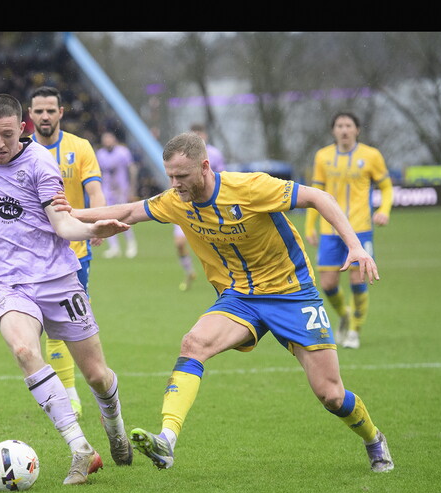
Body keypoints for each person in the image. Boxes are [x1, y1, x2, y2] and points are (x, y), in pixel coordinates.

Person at [53, 131, 394, 474]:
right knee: (193, 343)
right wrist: (72, 214)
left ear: (204, 167)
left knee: (331, 395)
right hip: (239, 298)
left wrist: (355, 246)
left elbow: (319, 197)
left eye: (182, 176)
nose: (175, 184)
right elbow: (129, 210)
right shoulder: (175, 200)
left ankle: (373, 438)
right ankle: (167, 440)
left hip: (291, 293)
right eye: (170, 176)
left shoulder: (250, 187)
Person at [0, 93, 133, 485]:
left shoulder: (41, 162)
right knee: (24, 350)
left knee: (96, 375)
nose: (0, 144)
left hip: (57, 279)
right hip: (7, 281)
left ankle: (115, 427)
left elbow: (62, 223)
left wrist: (92, 229)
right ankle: (80, 449)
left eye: (7, 135)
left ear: (21, 128)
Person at [28, 86, 107, 421]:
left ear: (61, 112)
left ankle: (88, 387)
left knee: (75, 323)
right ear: (30, 115)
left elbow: (95, 191)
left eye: (50, 110)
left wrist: (97, 222)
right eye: (39, 111)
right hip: (35, 253)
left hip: (75, 252)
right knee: (50, 326)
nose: (45, 116)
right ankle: (70, 395)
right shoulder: (21, 151)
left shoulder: (80, 147)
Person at [304, 112, 393, 349]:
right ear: (333, 130)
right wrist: (309, 225)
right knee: (328, 284)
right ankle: (344, 314)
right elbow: (315, 193)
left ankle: (354, 330)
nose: (344, 130)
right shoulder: (323, 156)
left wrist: (384, 209)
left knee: (357, 278)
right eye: (340, 126)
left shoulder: (371, 155)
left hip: (360, 228)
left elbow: (386, 187)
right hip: (329, 230)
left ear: (357, 130)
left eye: (348, 125)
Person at [173, 124, 227, 291]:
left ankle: (224, 278)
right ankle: (189, 272)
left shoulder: (214, 154)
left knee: (216, 246)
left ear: (205, 135)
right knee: (179, 243)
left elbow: (223, 177)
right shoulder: (181, 155)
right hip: (185, 206)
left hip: (209, 208)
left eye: (200, 134)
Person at [95, 131, 139, 259]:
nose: (107, 141)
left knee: (124, 217)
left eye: (109, 138)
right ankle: (114, 247)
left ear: (114, 139)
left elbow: (131, 169)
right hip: (107, 190)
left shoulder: (123, 152)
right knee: (107, 218)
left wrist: (132, 188)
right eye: (105, 139)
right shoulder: (100, 154)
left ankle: (131, 244)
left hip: (121, 189)